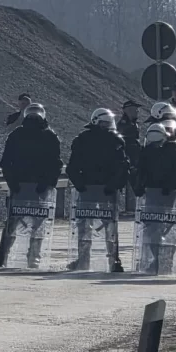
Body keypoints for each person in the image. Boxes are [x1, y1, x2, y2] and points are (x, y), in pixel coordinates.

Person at [0, 103, 62, 268]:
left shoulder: (50, 137)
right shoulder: (17, 135)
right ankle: (2, 255)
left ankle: (33, 256)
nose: (33, 118)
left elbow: (55, 164)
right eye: (31, 115)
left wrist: (46, 183)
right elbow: (6, 162)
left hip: (39, 188)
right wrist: (12, 183)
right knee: (12, 223)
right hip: (20, 186)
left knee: (37, 225)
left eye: (36, 115)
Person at [65, 108, 128, 272]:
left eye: (109, 123)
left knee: (106, 227)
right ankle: (88, 260)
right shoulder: (85, 140)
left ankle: (111, 260)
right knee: (88, 226)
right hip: (92, 189)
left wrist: (112, 185)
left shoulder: (113, 140)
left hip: (100, 190)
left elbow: (122, 168)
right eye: (104, 123)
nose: (107, 126)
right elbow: (73, 167)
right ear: (95, 121)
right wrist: (81, 185)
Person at [133, 122, 176, 274]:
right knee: (153, 230)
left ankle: (165, 261)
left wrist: (170, 186)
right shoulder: (148, 151)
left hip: (169, 196)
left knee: (167, 229)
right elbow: (140, 171)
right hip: (152, 195)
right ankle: (156, 261)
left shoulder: (175, 150)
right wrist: (139, 186)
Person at [116, 99, 142, 212]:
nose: (137, 111)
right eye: (135, 109)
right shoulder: (124, 124)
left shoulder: (133, 123)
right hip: (128, 157)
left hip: (134, 156)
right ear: (128, 110)